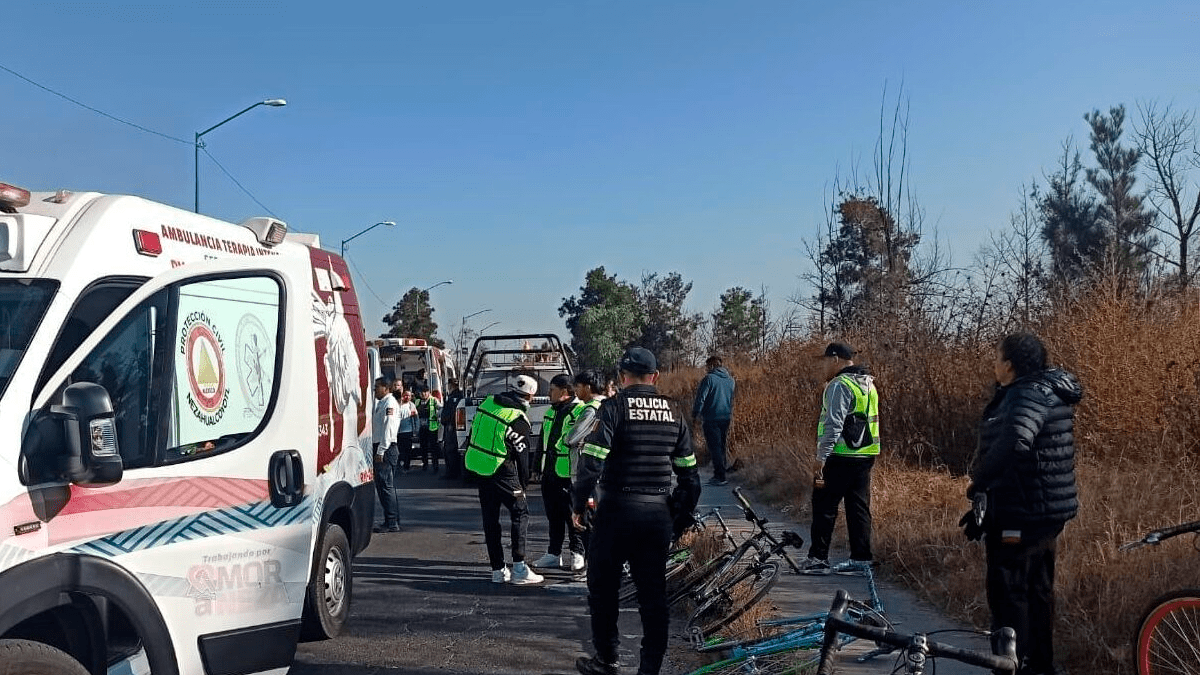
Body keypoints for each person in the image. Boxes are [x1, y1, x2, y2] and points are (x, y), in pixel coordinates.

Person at [572, 347, 701, 675]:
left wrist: (579, 505)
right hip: (656, 514)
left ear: (622, 377)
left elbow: (590, 464)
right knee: (653, 598)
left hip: (615, 511)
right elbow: (690, 477)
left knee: (603, 591)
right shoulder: (674, 412)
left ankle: (607, 659)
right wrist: (679, 518)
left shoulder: (613, 408)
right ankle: (649, 669)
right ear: (655, 377)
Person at [964, 332, 1080, 675]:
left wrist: (979, 482)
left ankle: (1011, 665)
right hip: (1042, 508)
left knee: (1010, 591)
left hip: (1024, 510)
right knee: (1038, 589)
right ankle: (1040, 665)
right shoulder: (1046, 390)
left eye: (997, 357)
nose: (994, 364)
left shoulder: (1027, 392)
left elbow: (1017, 440)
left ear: (1010, 365)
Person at [799, 342, 879, 575]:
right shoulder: (869, 385)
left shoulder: (839, 385)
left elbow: (834, 424)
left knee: (824, 505)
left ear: (835, 359)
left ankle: (818, 559)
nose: (823, 366)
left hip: (838, 456)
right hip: (865, 456)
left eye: (825, 361)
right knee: (858, 508)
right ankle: (861, 560)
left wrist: (821, 458)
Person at [464, 374, 544, 585]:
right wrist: (523, 486)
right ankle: (519, 568)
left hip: (480, 467)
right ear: (530, 397)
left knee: (490, 520)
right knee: (520, 513)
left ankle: (497, 570)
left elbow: (473, 433)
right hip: (502, 468)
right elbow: (523, 457)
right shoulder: (518, 420)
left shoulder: (489, 402)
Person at [533, 374, 585, 573]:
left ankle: (577, 552)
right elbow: (542, 442)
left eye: (551, 390)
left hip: (569, 474)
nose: (548, 394)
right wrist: (537, 467)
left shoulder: (580, 411)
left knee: (573, 516)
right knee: (553, 516)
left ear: (564, 392)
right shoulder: (550, 413)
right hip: (550, 473)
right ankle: (554, 554)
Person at [692, 355, 736, 486]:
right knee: (722, 446)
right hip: (726, 417)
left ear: (711, 365)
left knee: (714, 447)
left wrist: (696, 414)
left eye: (707, 366)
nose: (706, 369)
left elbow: (701, 398)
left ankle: (720, 476)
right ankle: (722, 471)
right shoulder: (730, 380)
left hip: (711, 417)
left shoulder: (709, 379)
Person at [370, 378, 401, 533]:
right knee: (383, 487)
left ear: (386, 388)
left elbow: (388, 430)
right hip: (381, 446)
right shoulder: (381, 403)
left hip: (386, 448)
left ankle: (392, 522)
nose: (375, 390)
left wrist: (381, 451)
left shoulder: (390, 404)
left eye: (377, 387)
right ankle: (391, 519)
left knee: (386, 486)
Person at [440, 378, 465, 479]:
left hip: (451, 426)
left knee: (450, 450)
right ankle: (451, 471)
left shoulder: (455, 396)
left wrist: (447, 421)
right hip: (450, 426)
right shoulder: (454, 396)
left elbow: (452, 412)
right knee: (449, 450)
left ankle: (452, 473)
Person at [417, 386, 442, 472]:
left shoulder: (433, 400)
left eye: (425, 392)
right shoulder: (417, 401)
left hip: (432, 428)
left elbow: (441, 408)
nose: (423, 394)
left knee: (433, 448)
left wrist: (438, 416)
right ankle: (425, 464)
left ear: (429, 392)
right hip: (421, 427)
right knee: (423, 447)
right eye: (422, 392)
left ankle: (435, 465)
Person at [397, 387, 418, 474]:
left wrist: (416, 430)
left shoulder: (411, 405)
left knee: (408, 450)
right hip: (398, 431)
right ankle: (399, 466)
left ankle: (406, 466)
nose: (407, 397)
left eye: (409, 396)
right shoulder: (398, 404)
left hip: (408, 431)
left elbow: (416, 418)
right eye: (406, 395)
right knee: (400, 450)